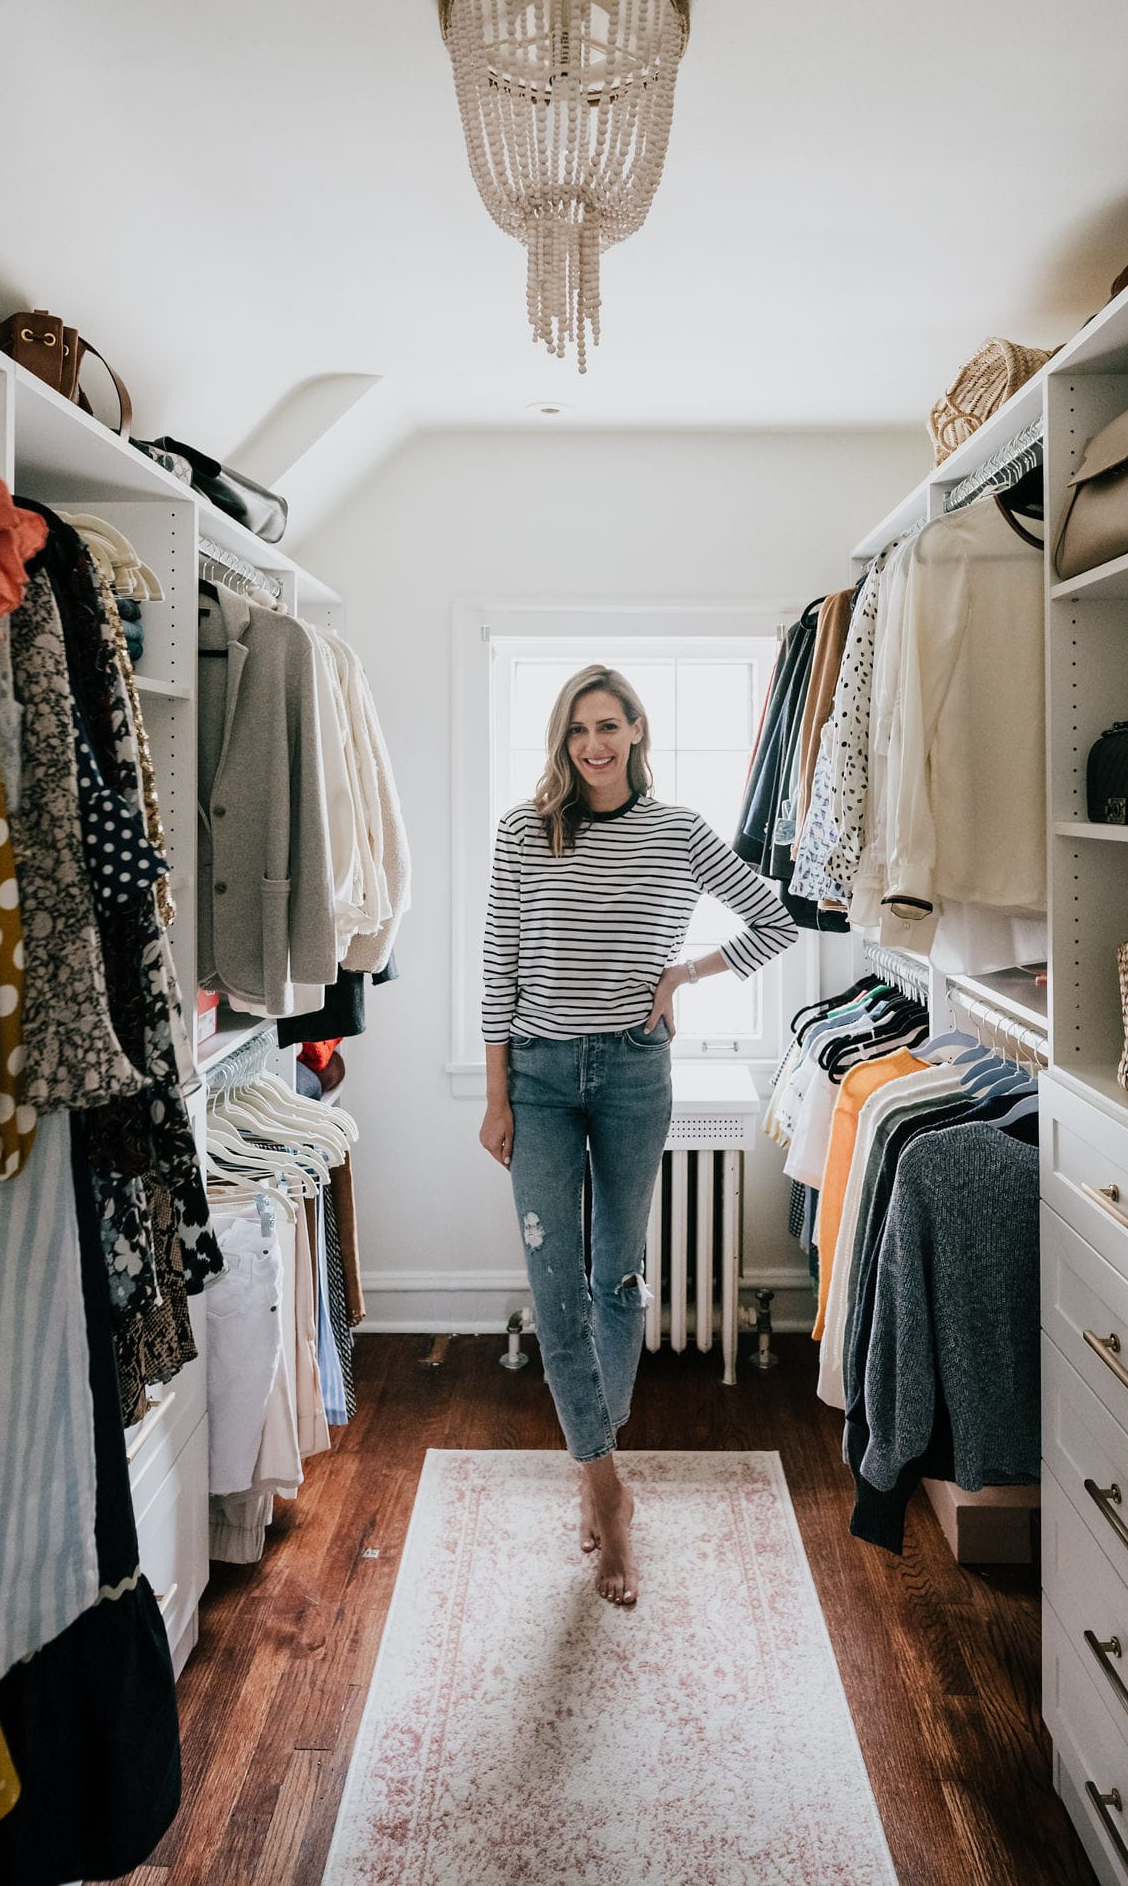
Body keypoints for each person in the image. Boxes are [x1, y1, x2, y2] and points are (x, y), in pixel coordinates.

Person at [479, 664, 796, 1605]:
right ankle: (606, 1486)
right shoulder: (521, 833)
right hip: (536, 1077)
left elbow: (775, 919)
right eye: (578, 728)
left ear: (637, 732)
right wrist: (495, 1097)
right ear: (561, 740)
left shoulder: (677, 832)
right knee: (554, 1281)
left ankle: (594, 1456)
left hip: (629, 1074)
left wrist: (684, 975)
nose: (594, 744)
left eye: (609, 725)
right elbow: (498, 967)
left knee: (615, 1275)